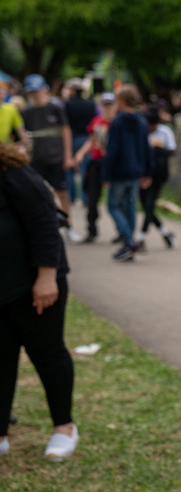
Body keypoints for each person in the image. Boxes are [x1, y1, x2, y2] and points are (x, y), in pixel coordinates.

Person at [0, 144, 79, 461]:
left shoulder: (12, 172)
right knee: (0, 359)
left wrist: (46, 278)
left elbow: (46, 223)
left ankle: (64, 427)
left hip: (34, 284)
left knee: (47, 354)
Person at [21, 74, 82, 243]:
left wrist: (68, 156)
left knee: (62, 194)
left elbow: (66, 131)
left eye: (37, 91)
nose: (35, 95)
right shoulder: (27, 112)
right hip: (36, 160)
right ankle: (41, 228)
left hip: (56, 158)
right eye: (32, 92)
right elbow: (24, 136)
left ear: (44, 89)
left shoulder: (55, 108)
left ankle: (68, 227)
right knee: (37, 195)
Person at [103, 85, 153, 262]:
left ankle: (129, 241)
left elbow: (112, 150)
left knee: (113, 205)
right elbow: (146, 149)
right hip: (135, 173)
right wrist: (148, 171)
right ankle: (129, 242)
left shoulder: (117, 122)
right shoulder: (141, 122)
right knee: (130, 205)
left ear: (121, 101)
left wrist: (106, 174)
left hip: (119, 173)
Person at [73, 93, 117, 243]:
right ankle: (91, 229)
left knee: (116, 200)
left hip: (111, 164)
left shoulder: (117, 123)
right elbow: (91, 141)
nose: (108, 108)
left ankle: (122, 231)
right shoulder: (97, 122)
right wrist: (80, 153)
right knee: (92, 198)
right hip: (96, 163)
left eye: (110, 105)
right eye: (105, 105)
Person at [137, 105, 177, 250]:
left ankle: (141, 239)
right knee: (147, 207)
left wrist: (157, 151)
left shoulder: (165, 132)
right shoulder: (141, 132)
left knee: (149, 206)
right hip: (142, 174)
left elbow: (172, 151)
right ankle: (166, 233)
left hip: (158, 175)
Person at [62, 78, 98, 207]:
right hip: (87, 139)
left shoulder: (65, 105)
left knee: (69, 169)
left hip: (70, 138)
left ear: (72, 90)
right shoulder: (91, 104)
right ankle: (85, 198)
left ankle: (71, 197)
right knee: (84, 169)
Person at [0, 77, 28, 146]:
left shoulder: (11, 109)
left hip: (3, 151)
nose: (1, 92)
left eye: (3, 90)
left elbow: (21, 133)